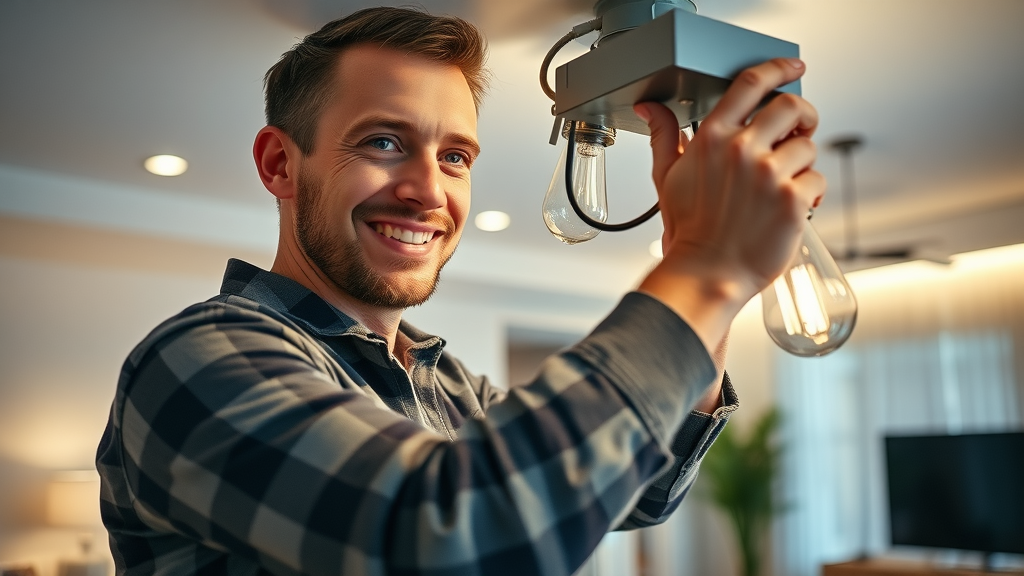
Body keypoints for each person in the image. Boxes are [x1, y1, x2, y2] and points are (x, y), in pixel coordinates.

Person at [96, 6, 822, 576]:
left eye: (454, 156)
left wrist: (705, 276)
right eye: (383, 142)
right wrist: (704, 268)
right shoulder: (197, 356)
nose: (428, 191)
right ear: (281, 165)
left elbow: (642, 489)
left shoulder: (444, 384)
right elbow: (452, 542)